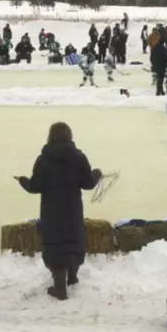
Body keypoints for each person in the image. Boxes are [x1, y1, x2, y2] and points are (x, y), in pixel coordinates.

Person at [16, 122, 103, 300]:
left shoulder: (43, 159)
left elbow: (35, 186)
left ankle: (59, 286)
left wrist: (23, 180)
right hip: (72, 209)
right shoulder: (78, 157)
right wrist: (96, 173)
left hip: (51, 210)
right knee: (72, 241)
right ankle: (71, 276)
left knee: (55, 244)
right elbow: (87, 183)